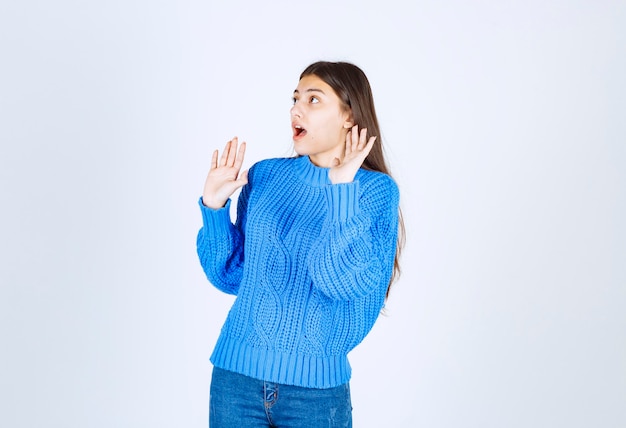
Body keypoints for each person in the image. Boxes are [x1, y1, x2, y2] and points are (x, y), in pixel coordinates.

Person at [196, 60, 405, 427]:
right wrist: (214, 208)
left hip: (315, 394)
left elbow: (337, 281)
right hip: (235, 378)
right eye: (295, 99)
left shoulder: (375, 192)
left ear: (348, 115)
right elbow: (231, 276)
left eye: (313, 100)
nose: (296, 109)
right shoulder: (266, 175)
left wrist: (342, 191)